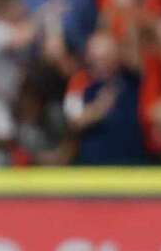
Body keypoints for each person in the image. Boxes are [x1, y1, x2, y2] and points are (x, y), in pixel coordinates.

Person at [63, 30, 147, 165]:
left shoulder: (131, 78)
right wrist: (99, 108)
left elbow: (141, 60)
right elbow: (74, 121)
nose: (102, 63)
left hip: (133, 163)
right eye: (97, 57)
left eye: (108, 56)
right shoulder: (79, 81)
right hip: (96, 165)